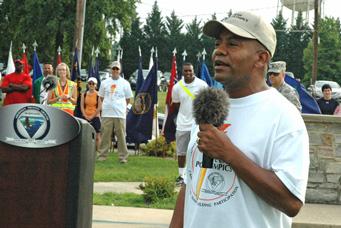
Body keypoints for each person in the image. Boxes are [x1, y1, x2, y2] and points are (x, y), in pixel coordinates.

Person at [170, 11, 310, 228]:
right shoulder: (210, 107)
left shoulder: (284, 116)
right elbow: (190, 183)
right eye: (218, 43)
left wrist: (229, 153)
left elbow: (291, 202)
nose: (219, 51)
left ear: (261, 58)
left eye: (233, 44)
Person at [172, 62, 208, 185]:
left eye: (190, 71)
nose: (188, 73)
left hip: (197, 125)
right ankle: (181, 176)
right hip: (182, 124)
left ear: (193, 71)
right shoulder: (177, 87)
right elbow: (176, 104)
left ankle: (195, 176)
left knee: (197, 151)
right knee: (181, 152)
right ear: (183, 72)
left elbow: (207, 103)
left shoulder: (202, 85)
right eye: (186, 71)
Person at [97, 61, 133, 163]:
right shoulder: (104, 83)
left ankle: (123, 157)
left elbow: (128, 99)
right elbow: (101, 97)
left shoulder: (125, 83)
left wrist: (123, 109)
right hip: (107, 113)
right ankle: (102, 156)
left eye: (117, 69)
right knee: (105, 135)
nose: (115, 70)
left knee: (121, 136)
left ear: (120, 70)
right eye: (113, 68)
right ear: (110, 70)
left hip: (120, 113)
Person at [80, 77, 102, 150]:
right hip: (85, 116)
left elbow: (99, 108)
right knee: (85, 135)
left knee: (97, 136)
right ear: (87, 84)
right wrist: (85, 115)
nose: (91, 85)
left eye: (93, 84)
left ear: (96, 85)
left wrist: (92, 116)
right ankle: (85, 150)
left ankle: (98, 151)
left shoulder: (99, 95)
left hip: (95, 117)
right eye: (90, 83)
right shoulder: (84, 94)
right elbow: (82, 106)